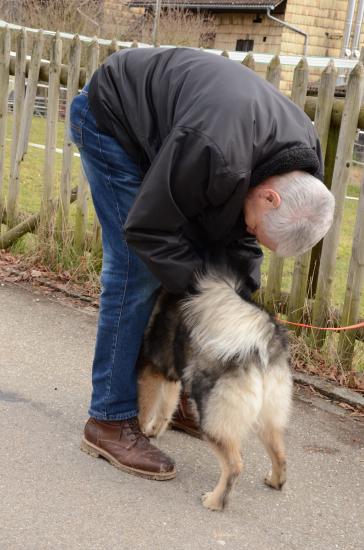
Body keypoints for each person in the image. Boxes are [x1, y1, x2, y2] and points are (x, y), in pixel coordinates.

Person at [69, 47, 334, 481]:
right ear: (270, 196)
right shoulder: (216, 149)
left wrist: (234, 301)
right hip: (110, 122)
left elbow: (236, 244)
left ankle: (185, 398)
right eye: (257, 229)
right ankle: (108, 420)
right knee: (134, 270)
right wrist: (205, 296)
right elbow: (149, 229)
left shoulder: (301, 162)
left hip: (181, 136)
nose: (252, 237)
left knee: (209, 276)